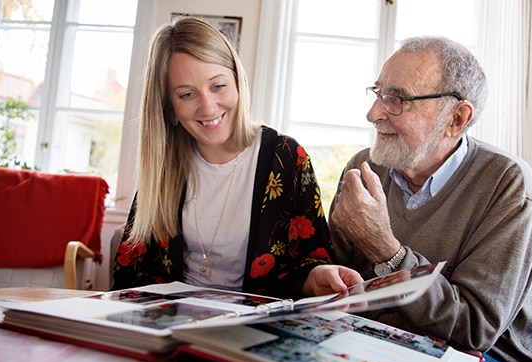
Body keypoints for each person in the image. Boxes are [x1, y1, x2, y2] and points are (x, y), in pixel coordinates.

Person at [328, 36, 532, 362]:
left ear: (457, 118)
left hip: (489, 360)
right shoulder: (365, 167)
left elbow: (473, 329)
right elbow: (337, 280)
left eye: (397, 99)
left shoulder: (508, 183)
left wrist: (388, 253)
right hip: (379, 340)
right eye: (377, 93)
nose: (373, 113)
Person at [112, 17, 361, 298]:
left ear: (237, 83)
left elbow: (310, 261)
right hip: (172, 323)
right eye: (186, 94)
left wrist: (318, 276)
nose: (208, 107)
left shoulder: (287, 157)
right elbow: (131, 274)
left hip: (257, 326)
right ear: (170, 108)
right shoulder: (163, 166)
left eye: (218, 86)